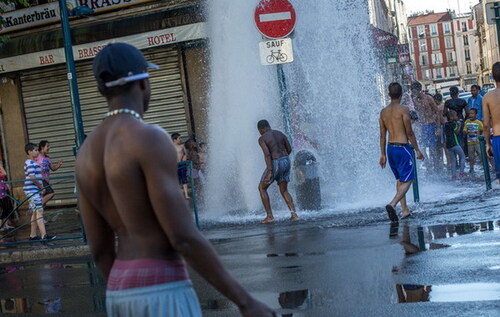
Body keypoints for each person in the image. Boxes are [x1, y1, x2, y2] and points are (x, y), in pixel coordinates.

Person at [75, 43, 274, 317]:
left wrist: (129, 286)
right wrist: (246, 302)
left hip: (119, 290)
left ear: (101, 89)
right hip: (162, 287)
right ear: (143, 83)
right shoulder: (149, 137)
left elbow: (99, 250)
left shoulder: (86, 153)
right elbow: (183, 237)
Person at [379, 83, 424, 222]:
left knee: (399, 179)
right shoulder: (403, 110)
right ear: (401, 94)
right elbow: (409, 132)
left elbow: (382, 135)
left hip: (390, 148)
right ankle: (393, 204)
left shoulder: (383, 112)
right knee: (409, 179)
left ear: (388, 95)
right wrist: (417, 149)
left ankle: (404, 210)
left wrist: (382, 154)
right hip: (402, 147)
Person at [257, 120, 299, 224]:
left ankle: (269, 216)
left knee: (262, 188)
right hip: (286, 160)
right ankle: (294, 214)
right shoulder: (280, 133)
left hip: (275, 163)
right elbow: (289, 149)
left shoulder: (262, 138)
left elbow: (267, 155)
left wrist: (270, 171)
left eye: (259, 131)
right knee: (284, 190)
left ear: (261, 129)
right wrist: (283, 158)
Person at [24, 143, 56, 241]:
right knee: (40, 211)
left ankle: (33, 235)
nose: (37, 152)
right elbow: (33, 178)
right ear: (30, 152)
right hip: (32, 190)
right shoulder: (29, 163)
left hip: (34, 189)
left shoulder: (33, 163)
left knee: (35, 212)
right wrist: (41, 187)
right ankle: (44, 235)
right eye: (36, 150)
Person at [411, 82, 440, 172]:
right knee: (422, 147)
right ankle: (428, 166)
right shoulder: (415, 100)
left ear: (419, 90)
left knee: (432, 148)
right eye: (412, 91)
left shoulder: (429, 98)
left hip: (431, 124)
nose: (413, 93)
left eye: (414, 91)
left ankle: (436, 167)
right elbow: (416, 115)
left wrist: (438, 127)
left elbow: (437, 112)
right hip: (422, 126)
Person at [483, 62, 500, 182]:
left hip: (498, 138)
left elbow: (485, 124)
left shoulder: (488, 97)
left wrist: (488, 144)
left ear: (492, 77)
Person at [35, 140, 63, 207]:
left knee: (44, 201)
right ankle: (37, 206)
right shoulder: (36, 156)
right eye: (47, 146)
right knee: (51, 193)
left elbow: (52, 168)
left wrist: (58, 165)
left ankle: (39, 215)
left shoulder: (48, 158)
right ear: (42, 147)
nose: (49, 148)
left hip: (46, 180)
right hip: (40, 179)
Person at [444, 110, 466, 180]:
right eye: (456, 115)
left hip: (448, 145)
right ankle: (461, 173)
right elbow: (456, 132)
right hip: (455, 144)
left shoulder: (445, 124)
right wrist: (459, 125)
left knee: (453, 160)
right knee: (462, 157)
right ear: (451, 117)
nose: (457, 117)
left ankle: (453, 175)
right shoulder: (454, 123)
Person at [463, 108, 484, 173]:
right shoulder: (467, 122)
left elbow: (483, 129)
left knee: (481, 154)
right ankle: (471, 168)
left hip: (477, 142)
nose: (470, 115)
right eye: (469, 113)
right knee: (471, 156)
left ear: (476, 115)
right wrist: (465, 131)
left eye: (472, 113)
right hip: (470, 143)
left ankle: (485, 165)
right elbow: (464, 129)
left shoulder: (478, 122)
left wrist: (482, 136)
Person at [171, 133, 190, 200]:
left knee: (184, 179)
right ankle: (178, 195)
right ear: (175, 140)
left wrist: (185, 156)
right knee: (176, 180)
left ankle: (186, 194)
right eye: (179, 138)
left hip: (182, 164)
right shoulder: (170, 147)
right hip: (174, 165)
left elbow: (186, 153)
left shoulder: (182, 146)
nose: (180, 139)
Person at [0, 163, 15, 230]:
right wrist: (0, 166)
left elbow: (3, 178)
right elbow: (4, 173)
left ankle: (5, 225)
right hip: (1, 193)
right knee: (3, 209)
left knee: (6, 208)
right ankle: (1, 226)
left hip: (4, 191)